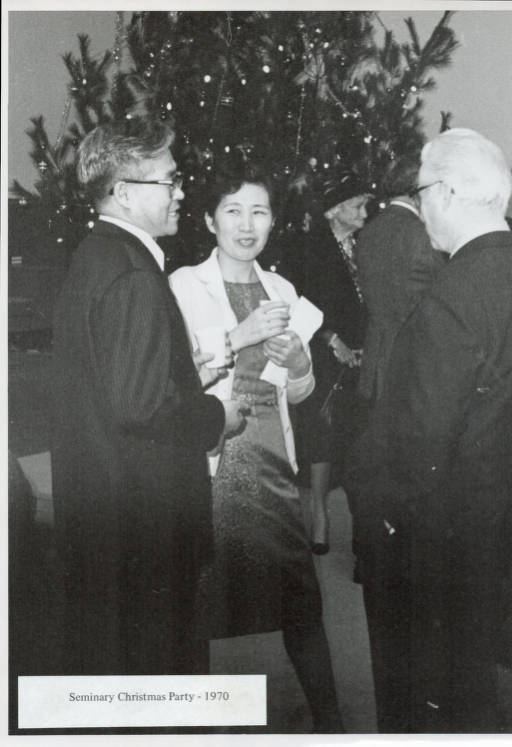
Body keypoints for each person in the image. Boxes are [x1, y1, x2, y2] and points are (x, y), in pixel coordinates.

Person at [355, 128, 512, 732]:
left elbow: (419, 439)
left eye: (422, 192)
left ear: (448, 192)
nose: (419, 204)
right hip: (492, 515)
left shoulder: (454, 292)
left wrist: (385, 514)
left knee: (412, 694)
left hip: (425, 534)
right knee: (467, 679)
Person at [51, 119, 244, 676]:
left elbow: (113, 387)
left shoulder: (96, 255)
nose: (182, 192)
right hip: (145, 521)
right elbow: (138, 408)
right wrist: (217, 415)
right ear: (126, 194)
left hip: (106, 512)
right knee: (162, 672)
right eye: (171, 181)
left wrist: (183, 376)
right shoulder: (134, 272)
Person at [169, 162, 343, 733]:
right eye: (233, 210)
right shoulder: (182, 287)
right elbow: (175, 386)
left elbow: (300, 391)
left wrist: (298, 365)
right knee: (202, 604)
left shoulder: (283, 289)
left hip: (271, 461)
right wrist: (237, 338)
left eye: (260, 211)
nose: (247, 224)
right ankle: (200, 727)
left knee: (301, 602)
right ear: (209, 220)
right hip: (213, 466)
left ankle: (331, 724)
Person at [296, 173, 370, 554]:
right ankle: (320, 516)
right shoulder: (313, 248)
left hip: (356, 353)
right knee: (321, 435)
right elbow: (302, 301)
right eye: (358, 205)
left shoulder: (358, 245)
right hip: (323, 352)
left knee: (353, 431)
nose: (364, 212)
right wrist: (332, 338)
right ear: (336, 211)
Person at [356, 156, 445, 408]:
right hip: (409, 361)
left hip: (374, 356)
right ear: (417, 189)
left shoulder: (368, 230)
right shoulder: (423, 234)